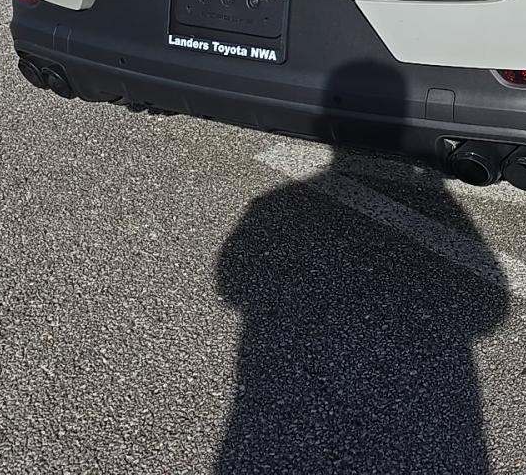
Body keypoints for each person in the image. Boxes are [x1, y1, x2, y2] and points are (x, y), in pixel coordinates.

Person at [214, 63, 507, 473]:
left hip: (267, 392)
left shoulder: (271, 205)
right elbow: (490, 313)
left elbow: (230, 282)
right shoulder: (272, 206)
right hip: (429, 397)